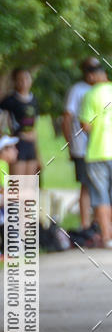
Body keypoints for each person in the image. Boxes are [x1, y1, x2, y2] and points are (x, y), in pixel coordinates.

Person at [63, 58, 101, 230]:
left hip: (102, 147)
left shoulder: (103, 89)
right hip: (82, 146)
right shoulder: (77, 90)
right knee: (86, 185)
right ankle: (86, 225)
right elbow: (68, 117)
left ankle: (100, 223)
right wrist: (69, 143)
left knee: (102, 186)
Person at [80, 62, 112, 247]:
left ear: (91, 76)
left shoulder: (90, 95)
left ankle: (107, 237)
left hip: (98, 151)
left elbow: (86, 126)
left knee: (101, 196)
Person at [0, 68, 39, 175]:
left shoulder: (34, 100)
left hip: (31, 144)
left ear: (31, 80)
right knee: (17, 184)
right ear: (15, 81)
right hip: (18, 143)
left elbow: (34, 125)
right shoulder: (10, 100)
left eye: (26, 78)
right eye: (20, 79)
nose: (24, 82)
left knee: (30, 185)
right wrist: (5, 133)